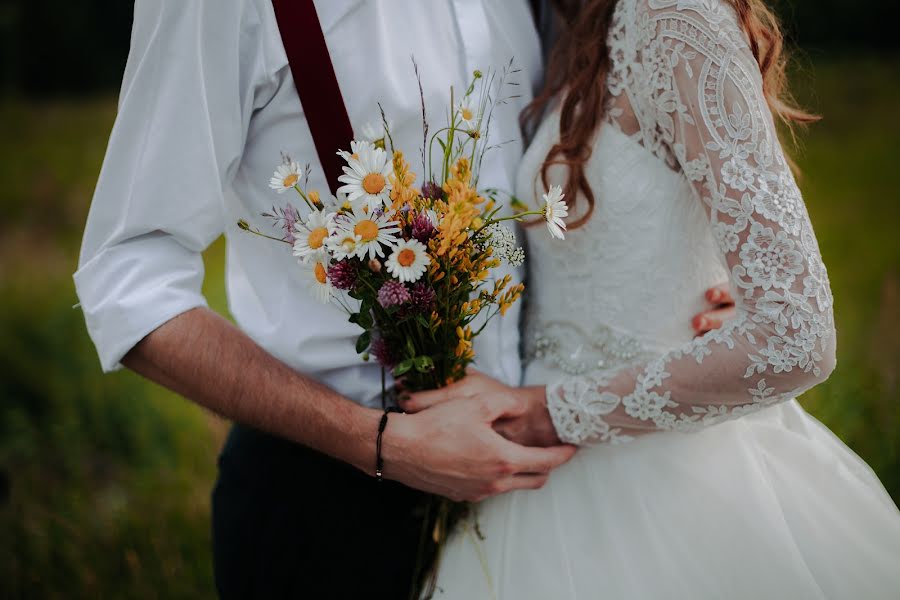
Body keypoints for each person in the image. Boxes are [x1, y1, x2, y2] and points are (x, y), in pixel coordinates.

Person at [74, 0, 735, 597]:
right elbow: (127, 273)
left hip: (543, 503)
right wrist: (377, 442)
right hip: (324, 510)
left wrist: (678, 274)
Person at [407, 0, 900, 597]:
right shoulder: (574, 25)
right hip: (535, 484)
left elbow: (797, 334)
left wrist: (549, 413)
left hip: (667, 481)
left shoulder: (676, 17)